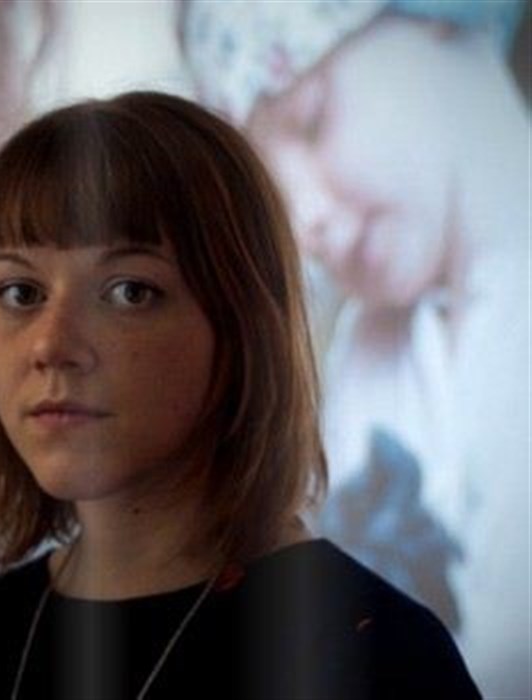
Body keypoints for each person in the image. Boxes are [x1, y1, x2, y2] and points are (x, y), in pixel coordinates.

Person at [0, 91, 480, 699]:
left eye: (129, 291)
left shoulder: (376, 658)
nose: (51, 344)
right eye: (20, 292)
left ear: (243, 330)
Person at [180, 2, 529, 692]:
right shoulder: (367, 351)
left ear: (434, 17)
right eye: (273, 199)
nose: (304, 220)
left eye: (313, 120)